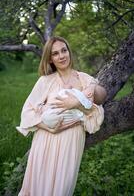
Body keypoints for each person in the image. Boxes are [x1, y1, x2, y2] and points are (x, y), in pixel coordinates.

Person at [17, 36, 107, 196]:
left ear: (69, 52)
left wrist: (76, 102)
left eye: (64, 50)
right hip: (45, 140)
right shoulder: (45, 81)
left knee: (62, 188)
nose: (61, 56)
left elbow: (100, 100)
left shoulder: (84, 78)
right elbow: (27, 111)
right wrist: (48, 128)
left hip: (71, 142)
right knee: (38, 187)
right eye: (55, 53)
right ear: (50, 59)